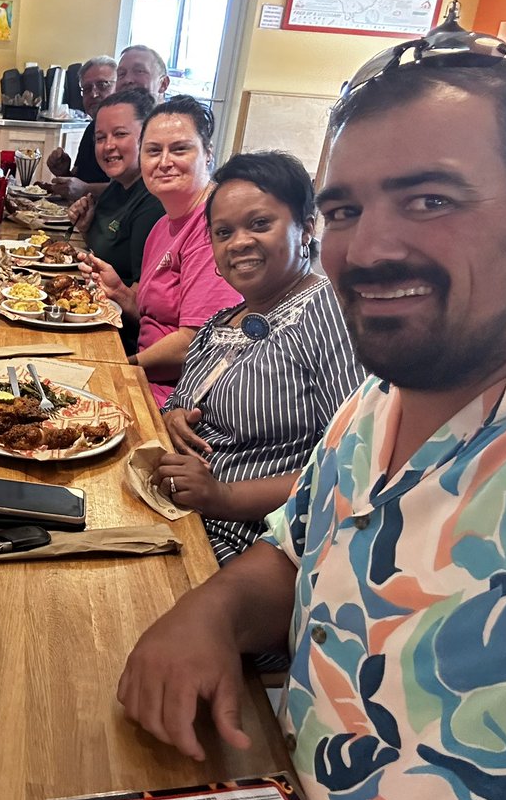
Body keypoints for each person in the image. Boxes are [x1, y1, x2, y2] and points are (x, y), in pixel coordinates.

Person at [117, 33, 506, 800]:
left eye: (431, 200)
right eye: (346, 209)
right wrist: (214, 611)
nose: (369, 248)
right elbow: (294, 551)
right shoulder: (375, 402)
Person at [155, 151, 365, 568]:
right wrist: (173, 415)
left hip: (243, 544)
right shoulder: (223, 320)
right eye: (223, 232)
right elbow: (181, 400)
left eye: (260, 224)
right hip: (177, 511)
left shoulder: (328, 312)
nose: (238, 243)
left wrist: (224, 496)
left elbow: (352, 465)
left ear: (306, 229)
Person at [82, 96, 240, 404]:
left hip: (178, 399)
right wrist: (120, 293)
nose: (164, 162)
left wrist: (120, 367)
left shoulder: (212, 228)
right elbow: (152, 317)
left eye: (179, 149)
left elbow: (196, 344)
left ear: (208, 153)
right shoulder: (162, 225)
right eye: (153, 151)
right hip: (144, 380)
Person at [67, 87, 164, 287]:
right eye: (100, 138)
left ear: (148, 137)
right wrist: (85, 228)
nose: (108, 145)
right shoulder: (117, 186)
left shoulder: (153, 202)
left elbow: (143, 296)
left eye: (120, 134)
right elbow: (105, 254)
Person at [45, 55, 116, 194]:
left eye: (102, 85)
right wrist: (64, 173)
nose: (94, 94)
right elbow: (81, 184)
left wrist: (85, 189)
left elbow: (130, 191)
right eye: (87, 89)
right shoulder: (91, 129)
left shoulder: (133, 132)